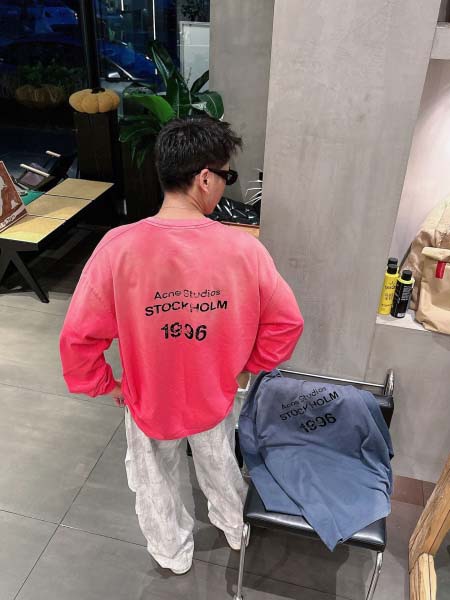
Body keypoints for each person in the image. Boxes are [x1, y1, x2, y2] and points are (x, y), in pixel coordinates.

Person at [59, 116, 304, 574]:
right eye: (226, 176)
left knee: (156, 479)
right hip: (215, 393)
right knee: (220, 464)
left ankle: (172, 552)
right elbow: (287, 322)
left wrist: (107, 384)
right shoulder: (244, 251)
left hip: (149, 398)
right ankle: (234, 527)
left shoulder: (117, 248)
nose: (225, 187)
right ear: (205, 178)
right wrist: (248, 366)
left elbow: (77, 338)